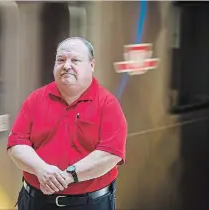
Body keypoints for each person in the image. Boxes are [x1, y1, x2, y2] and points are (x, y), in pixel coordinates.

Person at [7, 37, 127, 210]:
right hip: (36, 202)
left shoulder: (107, 104)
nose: (66, 66)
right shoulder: (35, 99)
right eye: (60, 60)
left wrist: (70, 176)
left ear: (91, 65)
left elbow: (110, 153)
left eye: (75, 60)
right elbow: (16, 144)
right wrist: (42, 170)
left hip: (89, 204)